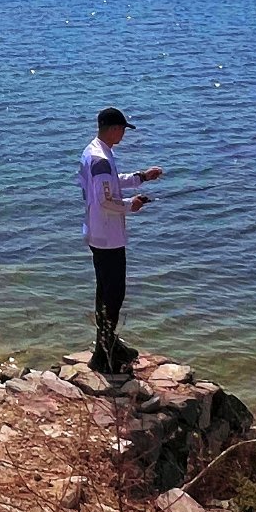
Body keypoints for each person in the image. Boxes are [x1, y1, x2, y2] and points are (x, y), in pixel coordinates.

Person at [78, 105, 163, 373]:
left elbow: (109, 184)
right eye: (123, 130)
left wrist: (141, 178)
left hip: (97, 232)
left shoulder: (95, 152)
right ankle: (104, 354)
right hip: (107, 236)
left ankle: (107, 342)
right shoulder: (101, 158)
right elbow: (106, 199)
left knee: (105, 292)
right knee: (113, 294)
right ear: (114, 129)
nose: (123, 135)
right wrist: (131, 205)